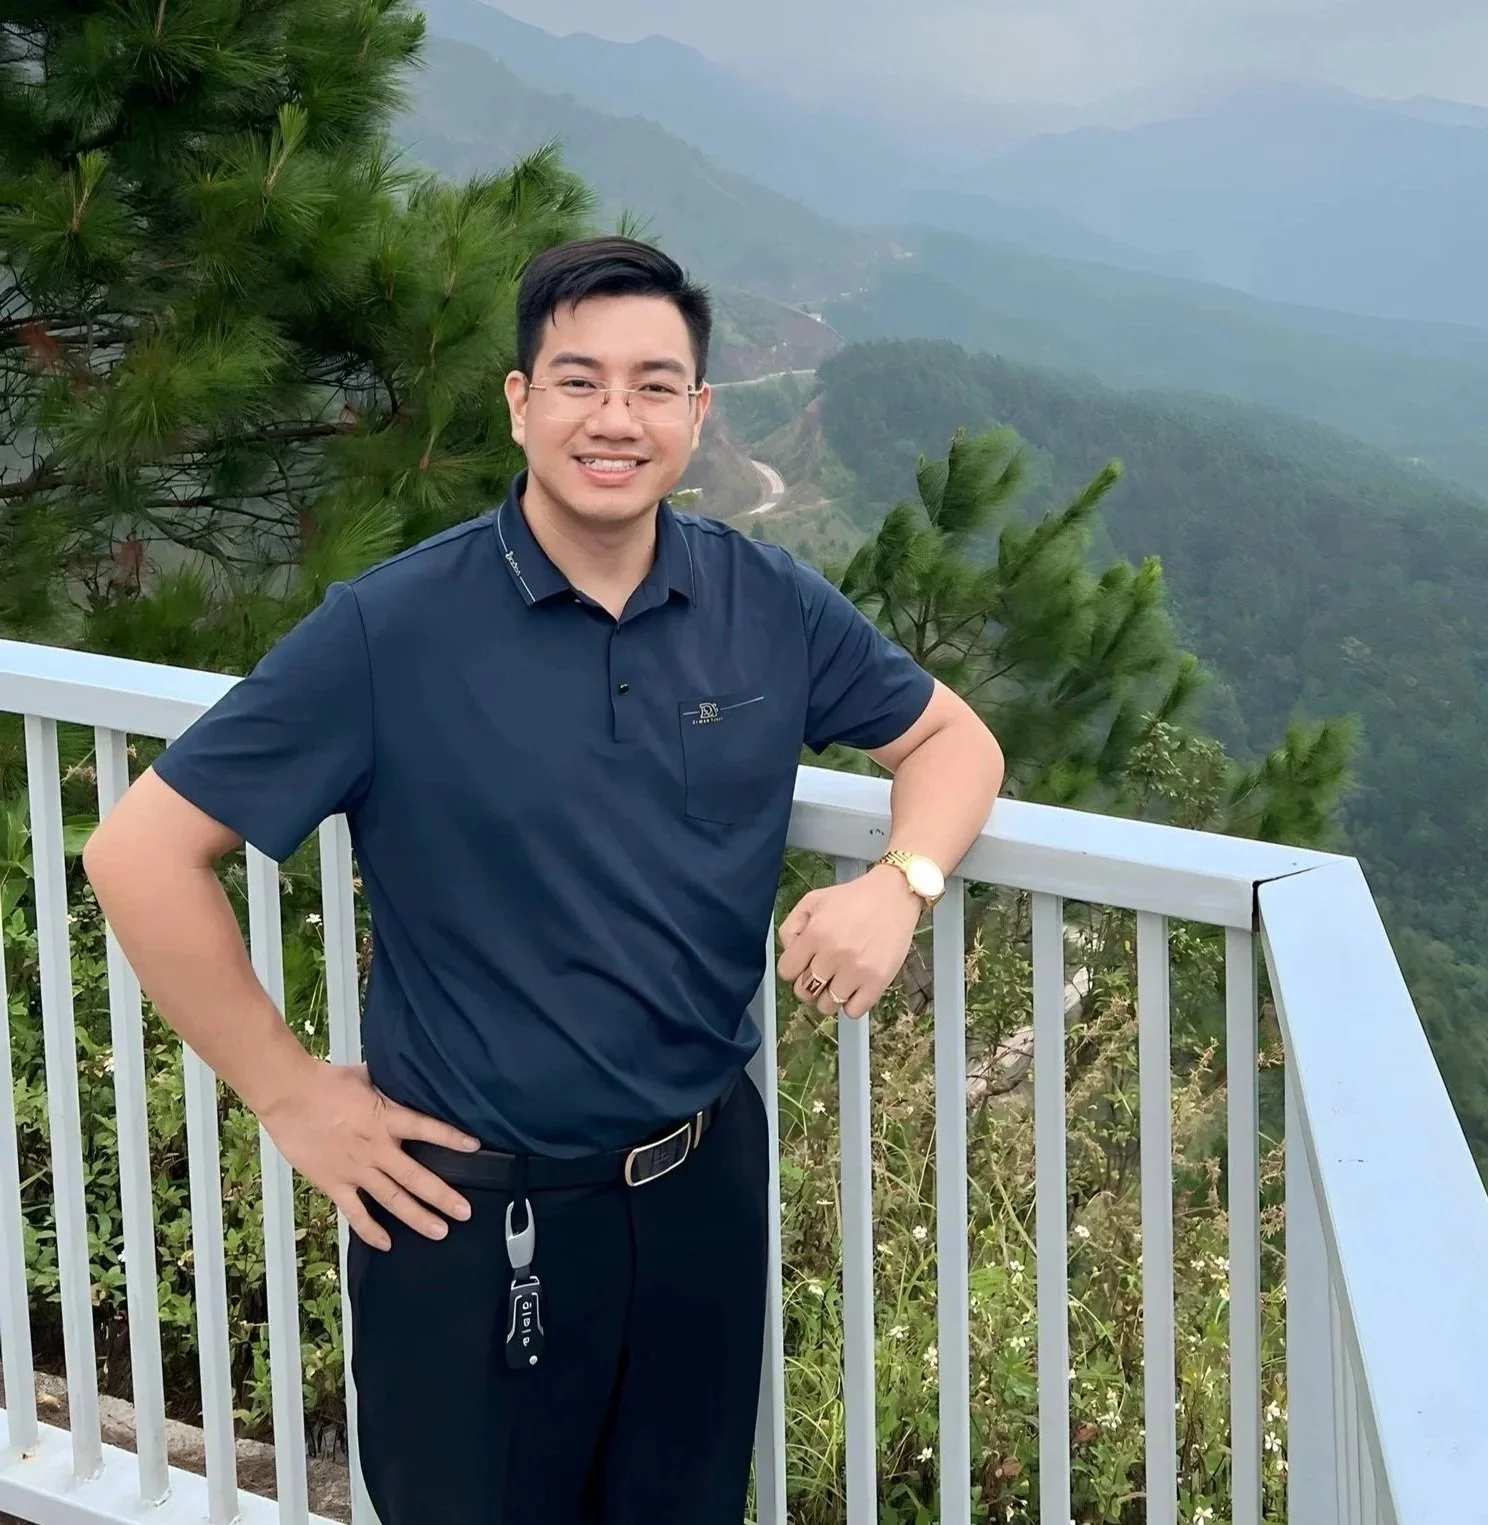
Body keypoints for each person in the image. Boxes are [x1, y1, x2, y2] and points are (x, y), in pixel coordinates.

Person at [83, 235, 1006, 1525]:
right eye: (578, 381)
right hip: (469, 1210)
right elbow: (138, 852)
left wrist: (900, 882)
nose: (614, 418)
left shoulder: (767, 603)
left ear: (699, 413)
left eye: (652, 384)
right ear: (520, 404)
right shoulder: (392, 629)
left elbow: (954, 739)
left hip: (699, 1183)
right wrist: (290, 1097)